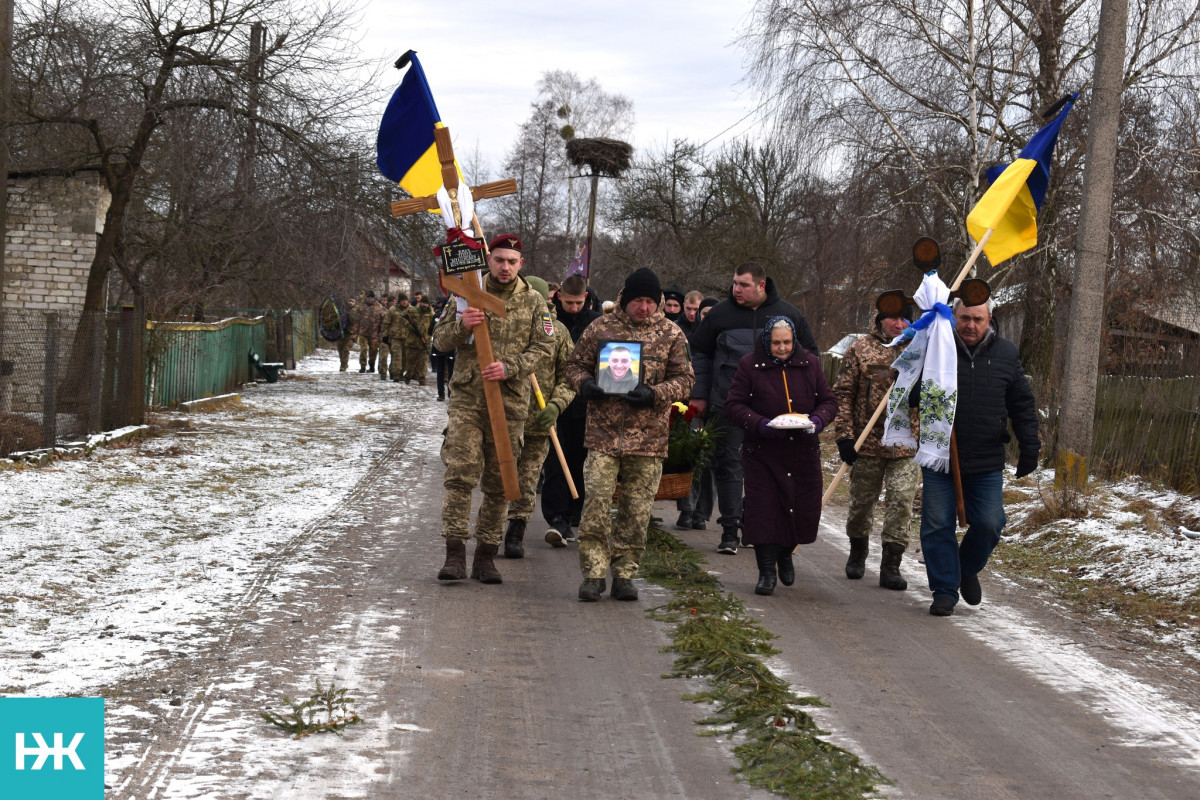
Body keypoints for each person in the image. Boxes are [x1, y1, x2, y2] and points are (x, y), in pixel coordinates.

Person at [432, 234, 555, 585]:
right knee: (460, 472)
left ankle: (486, 556)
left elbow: (545, 347)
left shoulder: (533, 303)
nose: (505, 267)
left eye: (512, 261)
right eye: (499, 259)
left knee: (502, 482)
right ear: (488, 259)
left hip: (510, 401)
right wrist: (462, 325)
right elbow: (439, 342)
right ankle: (454, 555)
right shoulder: (464, 293)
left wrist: (511, 365)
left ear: (522, 264)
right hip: (469, 398)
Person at [566, 267, 694, 602]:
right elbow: (574, 366)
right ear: (627, 297)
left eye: (650, 301)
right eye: (638, 300)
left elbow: (686, 379)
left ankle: (624, 573)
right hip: (602, 436)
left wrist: (656, 394)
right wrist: (586, 385)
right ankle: (593, 575)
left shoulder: (671, 334)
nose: (644, 307)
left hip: (649, 439)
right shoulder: (602, 327)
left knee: (636, 512)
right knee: (595, 504)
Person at [689, 261, 819, 556]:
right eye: (734, 283)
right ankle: (730, 528)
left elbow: (809, 358)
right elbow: (699, 354)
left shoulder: (789, 314)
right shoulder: (720, 314)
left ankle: (762, 527)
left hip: (776, 411)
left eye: (743, 284)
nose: (736, 289)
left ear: (761, 285)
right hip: (729, 405)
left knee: (767, 470)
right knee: (729, 465)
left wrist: (804, 403)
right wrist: (700, 395)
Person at [920, 298, 1039, 616]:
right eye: (964, 318)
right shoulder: (937, 349)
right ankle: (944, 590)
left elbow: (1022, 404)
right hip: (939, 453)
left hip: (986, 456)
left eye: (978, 319)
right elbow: (911, 389)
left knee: (990, 522)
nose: (970, 325)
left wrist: (1030, 446)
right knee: (936, 524)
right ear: (954, 318)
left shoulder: (1007, 354)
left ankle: (964, 568)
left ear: (990, 320)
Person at [724, 317, 837, 595]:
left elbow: (828, 401)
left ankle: (786, 553)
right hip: (763, 451)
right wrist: (760, 424)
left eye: (787, 342)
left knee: (798, 507)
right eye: (776, 343)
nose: (782, 348)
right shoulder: (749, 365)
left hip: (801, 451)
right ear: (767, 342)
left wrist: (817, 421)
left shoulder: (810, 363)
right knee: (764, 510)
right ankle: (766, 571)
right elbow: (734, 405)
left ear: (794, 340)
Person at [832, 296, 920, 591]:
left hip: (906, 445)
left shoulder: (919, 348)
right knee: (861, 504)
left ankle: (891, 565)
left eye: (904, 319)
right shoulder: (860, 349)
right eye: (892, 318)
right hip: (867, 442)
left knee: (901, 502)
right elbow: (843, 394)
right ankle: (857, 551)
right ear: (879, 319)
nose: (898, 324)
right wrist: (845, 436)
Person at [504, 276, 575, 558]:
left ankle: (515, 531)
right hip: (506, 418)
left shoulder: (557, 333)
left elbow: (569, 377)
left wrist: (556, 405)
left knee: (528, 479)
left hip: (538, 422)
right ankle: (491, 530)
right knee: (501, 476)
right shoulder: (507, 328)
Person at [542, 274, 601, 544]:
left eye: (578, 303)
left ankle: (575, 512)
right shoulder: (550, 324)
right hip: (555, 400)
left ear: (586, 298)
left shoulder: (596, 324)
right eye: (569, 303)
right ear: (559, 298)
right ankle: (556, 517)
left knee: (580, 461)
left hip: (587, 403)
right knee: (556, 461)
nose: (574, 308)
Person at [402, 295, 434, 385]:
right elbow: (401, 318)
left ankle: (422, 379)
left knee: (423, 362)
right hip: (413, 341)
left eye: (426, 303)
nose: (425, 305)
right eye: (423, 303)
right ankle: (408, 377)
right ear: (420, 303)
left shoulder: (431, 314)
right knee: (410, 362)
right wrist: (410, 327)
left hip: (425, 341)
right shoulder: (412, 310)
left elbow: (433, 325)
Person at [355, 290, 385, 373]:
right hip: (363, 332)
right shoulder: (361, 307)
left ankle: (371, 365)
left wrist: (380, 334)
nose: (370, 300)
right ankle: (363, 366)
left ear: (374, 298)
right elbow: (357, 320)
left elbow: (383, 322)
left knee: (373, 350)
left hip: (374, 334)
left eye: (372, 298)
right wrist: (356, 332)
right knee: (363, 349)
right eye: (369, 298)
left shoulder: (379, 307)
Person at [382, 293, 410, 381]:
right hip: (395, 337)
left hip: (407, 337)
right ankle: (396, 374)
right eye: (402, 301)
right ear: (399, 301)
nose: (404, 302)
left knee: (405, 357)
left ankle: (401, 373)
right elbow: (386, 323)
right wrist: (385, 335)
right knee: (396, 356)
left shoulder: (411, 310)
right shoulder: (393, 309)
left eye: (406, 300)